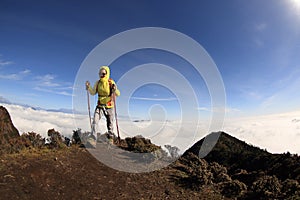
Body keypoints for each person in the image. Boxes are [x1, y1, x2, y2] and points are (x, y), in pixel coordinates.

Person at [85, 66, 120, 146]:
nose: (102, 75)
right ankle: (93, 139)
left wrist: (114, 90)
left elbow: (118, 94)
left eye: (103, 73)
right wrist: (89, 87)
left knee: (110, 123)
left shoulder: (111, 82)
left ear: (107, 73)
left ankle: (110, 138)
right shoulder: (98, 83)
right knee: (95, 121)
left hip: (109, 106)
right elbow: (93, 92)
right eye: (100, 73)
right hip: (100, 105)